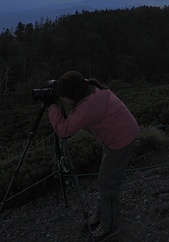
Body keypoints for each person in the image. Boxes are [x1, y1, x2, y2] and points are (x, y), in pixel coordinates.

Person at [46, 71, 139, 241]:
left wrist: (51, 107)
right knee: (105, 179)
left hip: (120, 139)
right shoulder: (87, 86)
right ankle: (101, 213)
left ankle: (109, 227)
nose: (62, 101)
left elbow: (63, 130)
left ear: (74, 95)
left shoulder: (88, 106)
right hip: (116, 135)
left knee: (108, 182)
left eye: (63, 97)